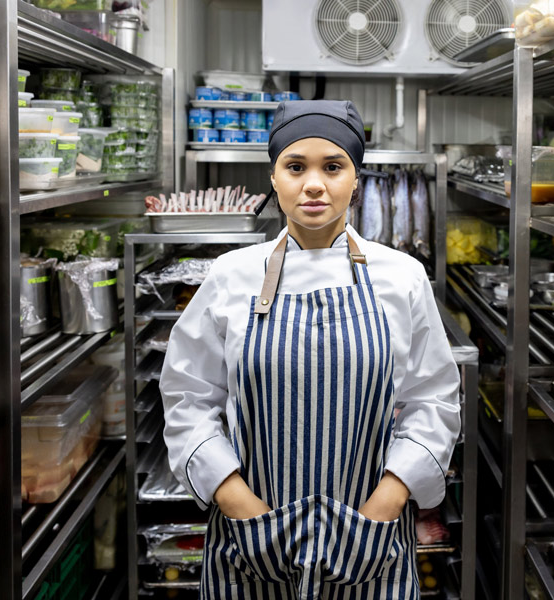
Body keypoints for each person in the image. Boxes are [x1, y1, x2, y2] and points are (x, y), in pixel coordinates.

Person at [160, 99, 461, 598]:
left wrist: (383, 508)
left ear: (356, 180)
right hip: (249, 545)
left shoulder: (401, 276)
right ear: (274, 178)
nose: (314, 184)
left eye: (333, 166)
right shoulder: (232, 274)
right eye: (295, 166)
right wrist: (242, 509)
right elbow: (188, 399)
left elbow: (434, 401)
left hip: (370, 546)